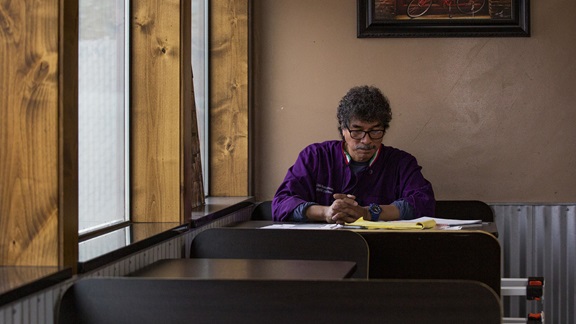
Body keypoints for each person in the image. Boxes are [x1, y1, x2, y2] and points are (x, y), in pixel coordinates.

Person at [272, 85, 435, 224]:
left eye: (375, 131)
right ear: (343, 129)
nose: (366, 140)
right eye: (357, 131)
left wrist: (369, 213)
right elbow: (281, 203)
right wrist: (326, 212)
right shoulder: (315, 157)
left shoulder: (401, 163)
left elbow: (423, 203)